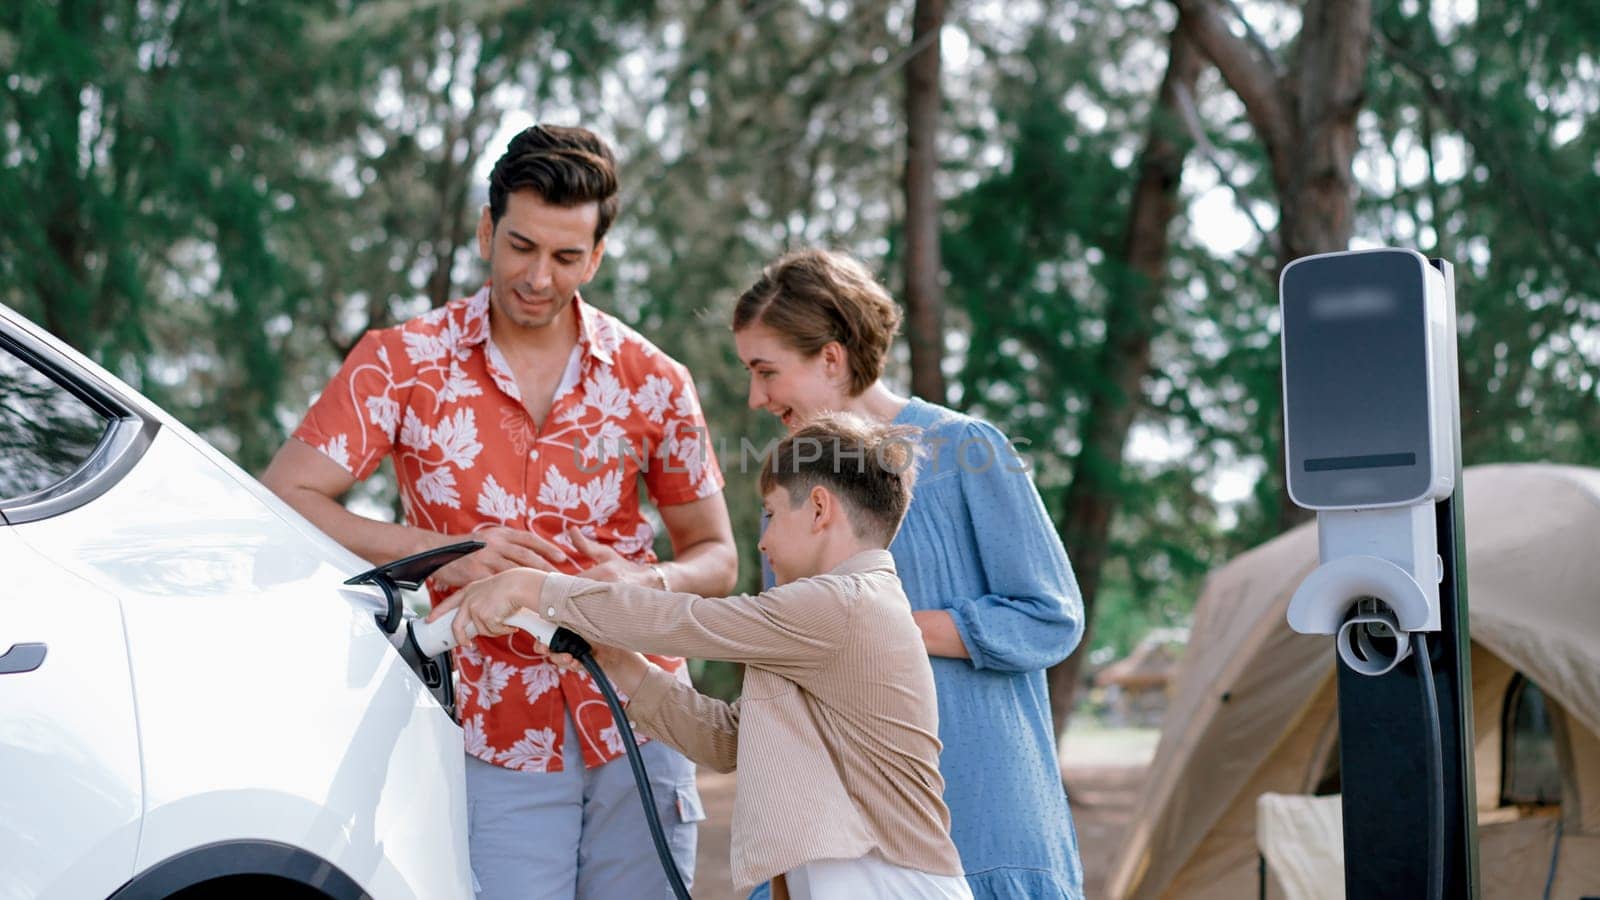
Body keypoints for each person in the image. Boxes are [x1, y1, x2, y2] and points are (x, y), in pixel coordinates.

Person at [261, 124, 738, 900]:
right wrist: (445, 552)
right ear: (487, 229)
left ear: (599, 255)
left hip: (645, 723)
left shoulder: (656, 379)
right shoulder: (400, 359)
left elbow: (717, 554)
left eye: (566, 257)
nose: (539, 277)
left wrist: (650, 583)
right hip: (490, 737)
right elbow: (286, 497)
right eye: (520, 246)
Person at [448, 414, 974, 900]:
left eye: (769, 515)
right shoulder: (820, 623)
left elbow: (689, 622)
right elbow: (727, 742)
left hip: (892, 885)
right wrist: (617, 660)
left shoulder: (844, 603)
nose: (763, 542)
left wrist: (534, 587)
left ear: (818, 508)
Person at [730, 248, 1087, 899]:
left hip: (982, 818)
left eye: (766, 371)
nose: (756, 397)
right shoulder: (787, 492)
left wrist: (886, 629)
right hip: (847, 846)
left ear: (831, 359)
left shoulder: (967, 450)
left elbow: (1051, 618)